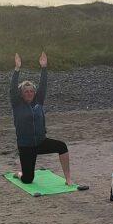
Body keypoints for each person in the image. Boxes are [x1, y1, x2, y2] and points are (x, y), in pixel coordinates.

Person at [10, 52, 83, 188]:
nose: (29, 93)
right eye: (26, 91)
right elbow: (12, 89)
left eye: (31, 91)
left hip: (41, 142)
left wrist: (44, 67)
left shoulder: (39, 101)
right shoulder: (17, 104)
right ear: (21, 94)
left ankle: (68, 178)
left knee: (62, 146)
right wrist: (17, 69)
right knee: (27, 179)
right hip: (26, 146)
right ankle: (19, 173)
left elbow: (43, 85)